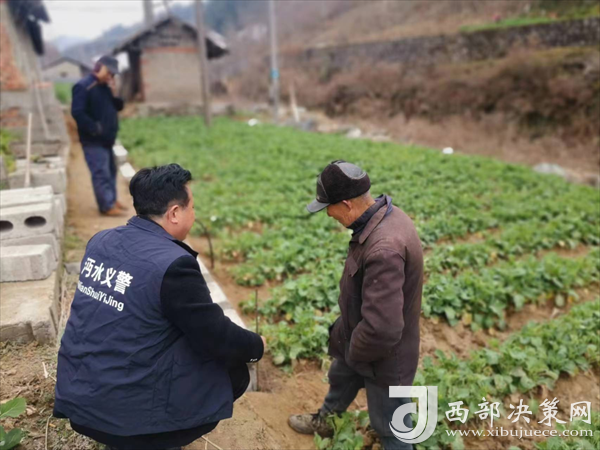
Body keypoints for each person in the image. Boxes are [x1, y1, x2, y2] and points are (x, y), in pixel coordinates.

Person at [54, 164, 266, 450]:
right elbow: (216, 335)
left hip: (78, 398)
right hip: (123, 420)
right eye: (192, 207)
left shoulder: (100, 241)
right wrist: (257, 346)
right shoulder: (173, 265)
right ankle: (156, 439)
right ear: (175, 213)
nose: (194, 214)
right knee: (232, 369)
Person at [288, 160, 423, 450]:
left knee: (392, 427)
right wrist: (350, 348)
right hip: (361, 337)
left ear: (347, 204)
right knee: (341, 379)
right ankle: (326, 421)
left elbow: (383, 329)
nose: (329, 214)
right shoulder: (386, 216)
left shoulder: (384, 248)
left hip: (385, 355)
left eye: (329, 207)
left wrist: (355, 351)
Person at [71, 55, 126, 216]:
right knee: (101, 173)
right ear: (99, 67)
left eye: (113, 74)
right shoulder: (83, 86)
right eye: (109, 72)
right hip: (93, 140)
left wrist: (114, 93)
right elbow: (77, 112)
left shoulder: (105, 87)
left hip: (108, 139)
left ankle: (112, 199)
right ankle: (106, 206)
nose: (110, 76)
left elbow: (119, 106)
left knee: (111, 171)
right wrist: (95, 128)